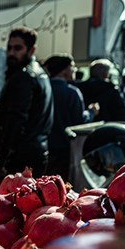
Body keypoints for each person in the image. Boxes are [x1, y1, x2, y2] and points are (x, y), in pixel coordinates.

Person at [0, 26, 53, 183]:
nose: (12, 53)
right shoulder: (40, 74)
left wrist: (2, 160)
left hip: (21, 157)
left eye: (18, 48)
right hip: (37, 152)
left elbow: (15, 120)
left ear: (31, 50)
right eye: (10, 48)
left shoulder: (24, 76)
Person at [43, 54, 98, 182]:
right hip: (64, 148)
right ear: (65, 70)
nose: (74, 70)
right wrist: (91, 112)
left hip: (44, 146)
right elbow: (79, 121)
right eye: (72, 67)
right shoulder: (71, 93)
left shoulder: (43, 89)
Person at [74, 58, 125, 122]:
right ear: (106, 74)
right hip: (107, 128)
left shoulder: (79, 88)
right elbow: (121, 114)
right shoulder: (112, 90)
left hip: (82, 128)